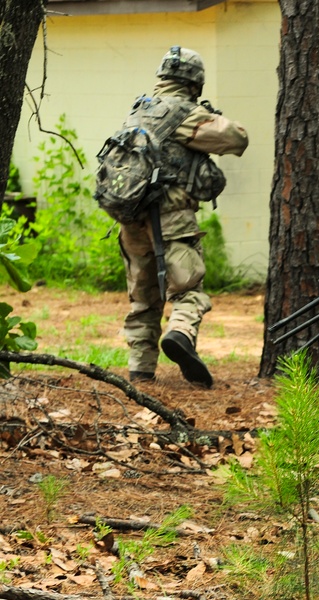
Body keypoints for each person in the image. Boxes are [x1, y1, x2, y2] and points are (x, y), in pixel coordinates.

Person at [119, 46, 249, 388]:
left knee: (143, 298)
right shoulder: (181, 112)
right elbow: (236, 138)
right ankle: (180, 334)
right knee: (188, 289)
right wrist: (205, 114)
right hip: (170, 216)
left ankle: (140, 369)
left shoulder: (138, 111)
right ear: (195, 83)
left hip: (130, 218)